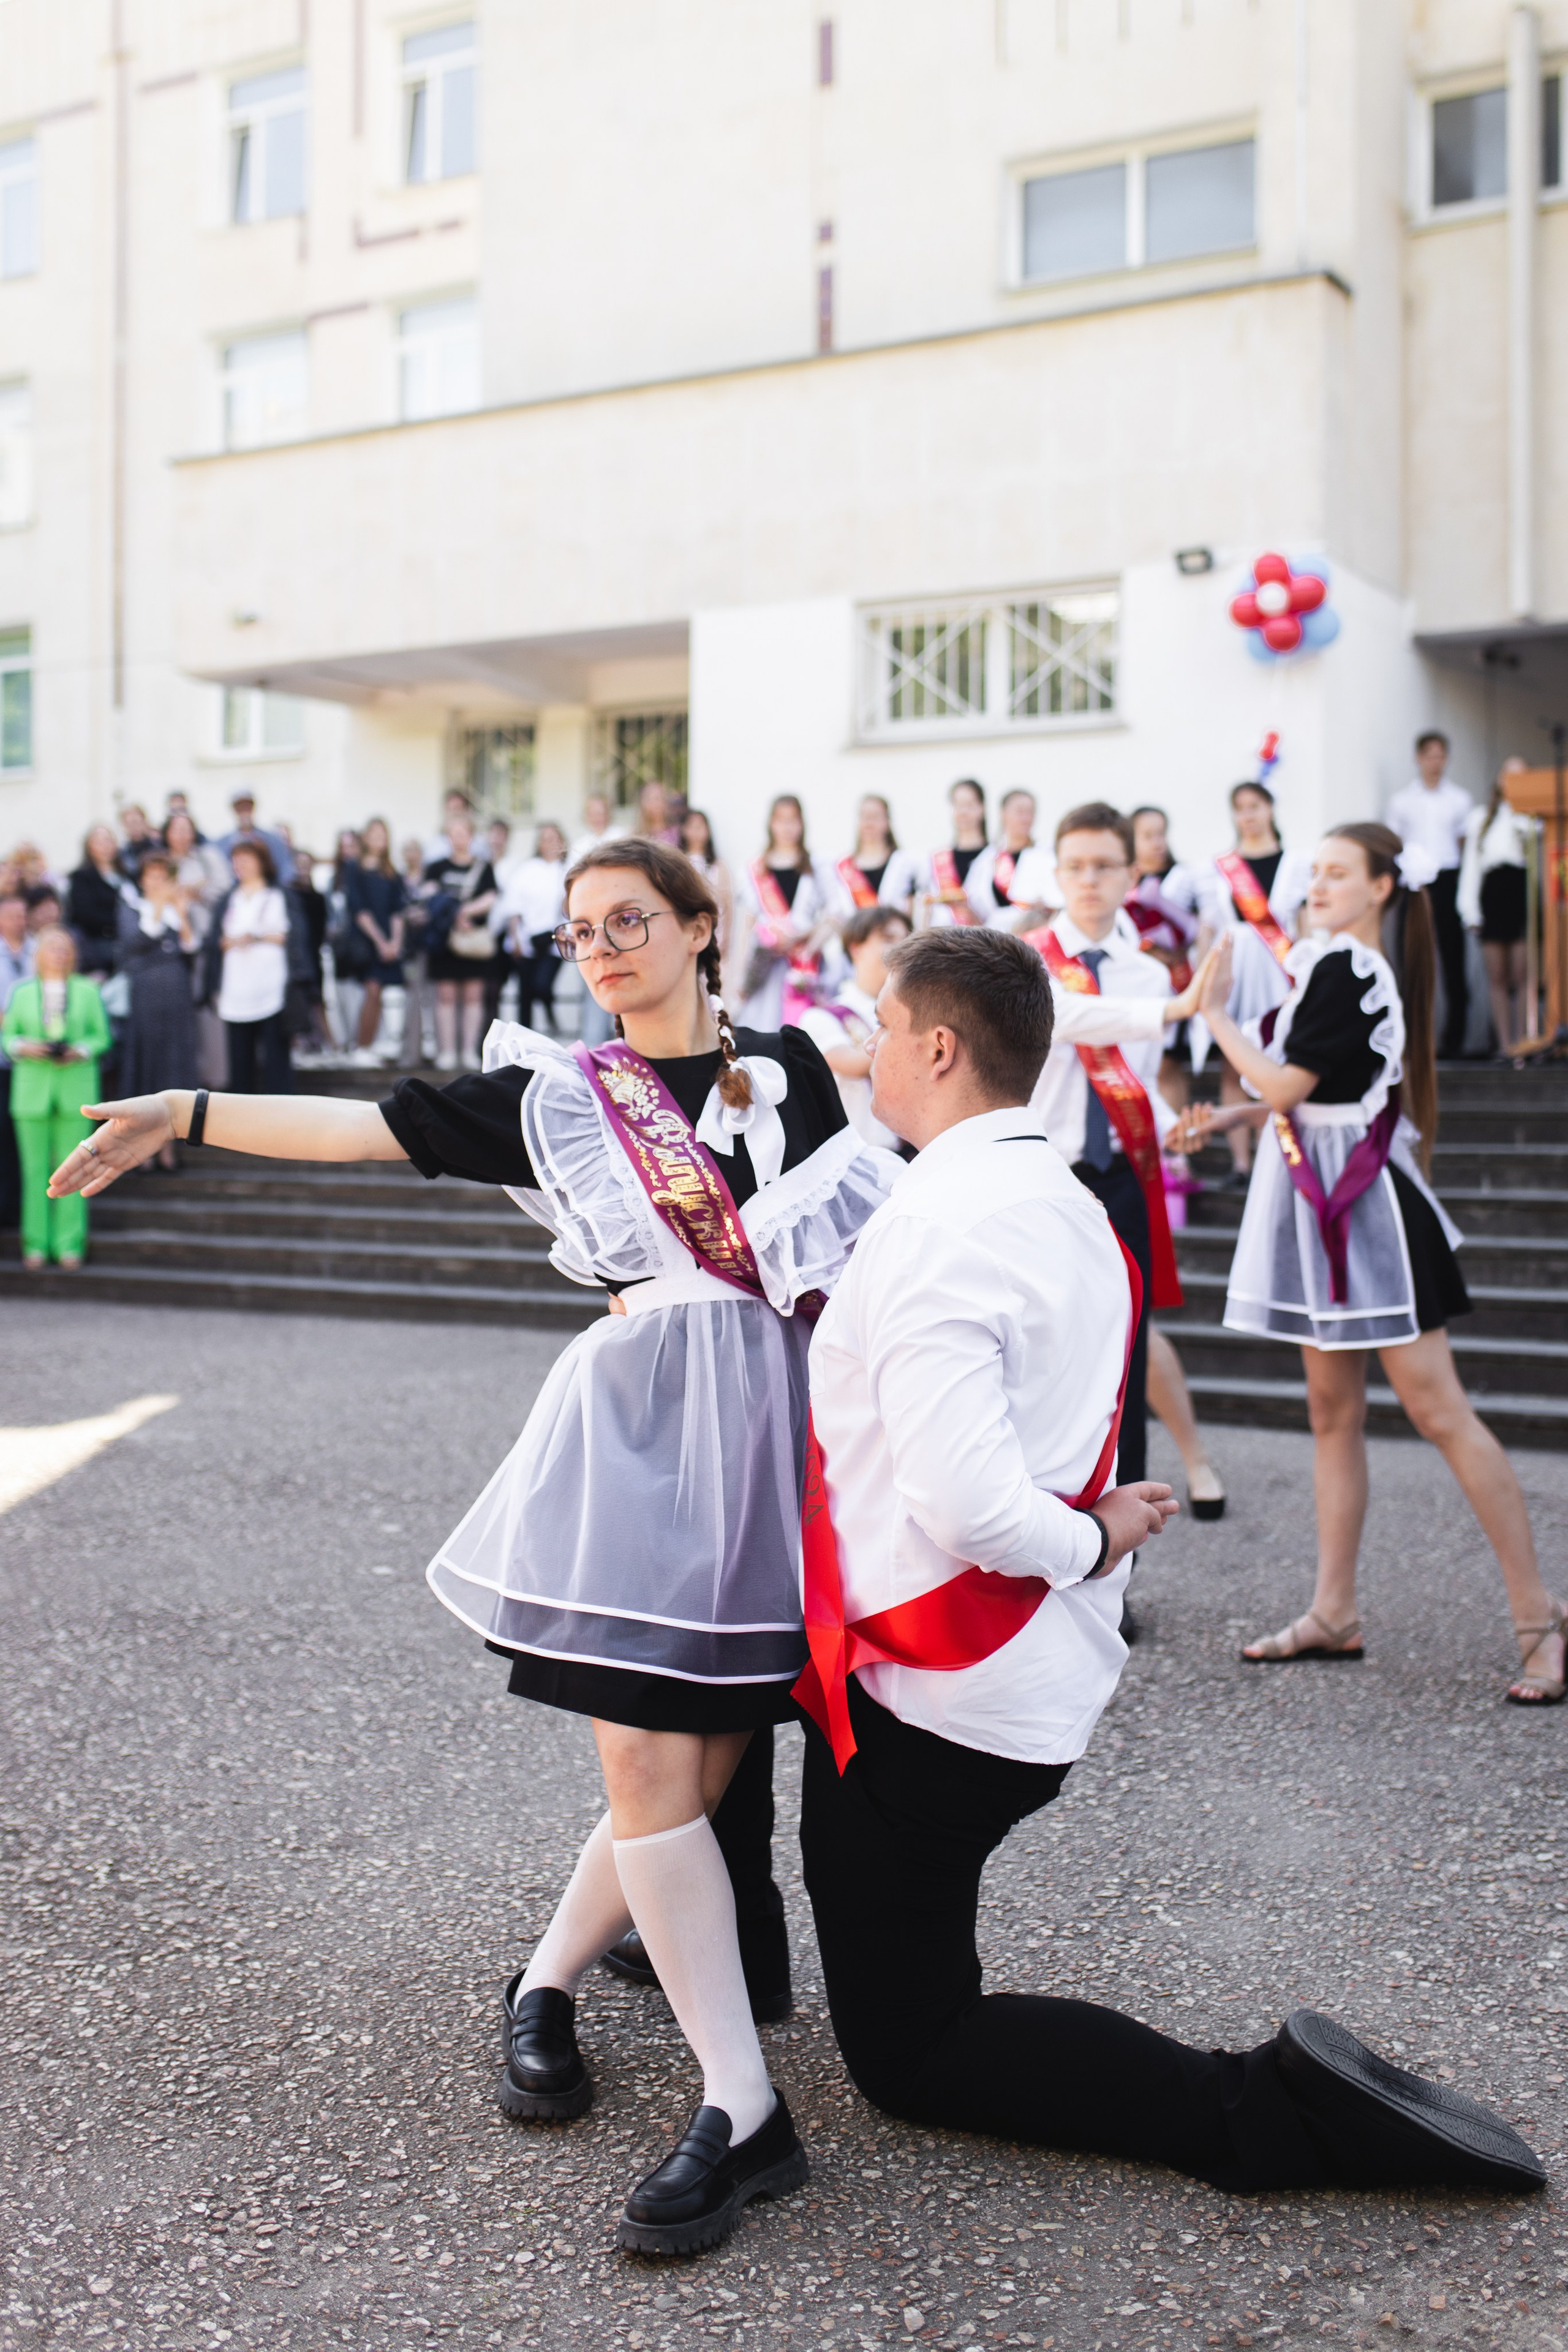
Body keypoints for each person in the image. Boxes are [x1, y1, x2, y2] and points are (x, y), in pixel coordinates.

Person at [49, 836, 899, 2254]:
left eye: (629, 919)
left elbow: (875, 1230)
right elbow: (363, 1124)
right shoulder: (560, 1097)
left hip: (772, 1442)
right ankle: (742, 2105)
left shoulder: (798, 1068)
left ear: (701, 928)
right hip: (637, 1429)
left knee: (689, 1765)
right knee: (641, 1761)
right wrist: (184, 1110)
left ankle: (548, 1980)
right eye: (579, 932)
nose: (603, 946)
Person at [786, 921, 1547, 2201]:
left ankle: (1263, 2112)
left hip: (935, 1690)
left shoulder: (938, 1228)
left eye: (876, 1029)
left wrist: (1086, 1538)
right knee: (899, 1935)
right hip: (1015, 1670)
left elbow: (968, 1505)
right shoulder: (1066, 1200)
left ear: (934, 1045)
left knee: (909, 2052)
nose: (858, 1053)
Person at [1187, 823, 1564, 1703]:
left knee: (1439, 1411)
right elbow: (1311, 1098)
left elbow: (1284, 1087)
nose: (1317, 884)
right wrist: (1227, 1119)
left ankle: (1540, 1616)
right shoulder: (1325, 966)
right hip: (1318, 1192)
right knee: (1331, 1412)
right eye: (1313, 871)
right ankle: (1334, 1611)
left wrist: (1207, 1017)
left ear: (1383, 886)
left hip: (1365, 1211)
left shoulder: (1348, 968)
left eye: (1338, 873)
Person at [1024, 804, 1217, 1529]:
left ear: (1132, 874)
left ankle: (1119, 1562)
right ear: (1056, 871)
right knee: (1046, 1360)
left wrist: (1176, 1128)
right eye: (1074, 865)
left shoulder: (1144, 972)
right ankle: (1046, 1537)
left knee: (1125, 1363)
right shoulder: (1029, 957)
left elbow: (1134, 1085)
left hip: (1120, 1184)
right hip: (1045, 1180)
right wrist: (1167, 1011)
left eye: (1104, 865)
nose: (1088, 879)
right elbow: (1066, 1021)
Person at [1193, 780, 1313, 1181]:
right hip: (1236, 969)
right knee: (1234, 1063)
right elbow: (1208, 928)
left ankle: (1273, 1159)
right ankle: (1242, 1163)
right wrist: (1202, 978)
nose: (1248, 815)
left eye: (1255, 806)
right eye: (1240, 807)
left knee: (1275, 1061)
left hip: (1278, 969)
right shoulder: (1220, 867)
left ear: (1270, 810)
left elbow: (1304, 925)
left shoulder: (1296, 863)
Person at [4, 927, 111, 1268]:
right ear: (38, 954)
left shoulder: (86, 992)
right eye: (51, 948)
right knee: (34, 1171)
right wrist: (25, 1047)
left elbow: (102, 1037)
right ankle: (35, 1243)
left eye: (64, 949)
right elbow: (8, 1036)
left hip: (75, 1091)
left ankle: (70, 1243)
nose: (58, 954)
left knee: (74, 1171)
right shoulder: (20, 992)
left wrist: (79, 1050)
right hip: (32, 1092)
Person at [1389, 731, 1475, 1060]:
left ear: (1447, 758)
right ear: (1419, 758)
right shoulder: (1403, 801)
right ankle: (1409, 1039)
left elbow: (1464, 844)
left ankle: (1456, 1041)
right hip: (1413, 883)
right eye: (1430, 755)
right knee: (1410, 958)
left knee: (1453, 959)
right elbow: (1395, 845)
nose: (1435, 762)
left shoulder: (1459, 799)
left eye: (1441, 755)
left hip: (1448, 878)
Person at [798, 905, 911, 1150]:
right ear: (856, 948)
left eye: (906, 941)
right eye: (888, 939)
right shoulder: (823, 1017)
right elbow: (852, 1065)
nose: (901, 949)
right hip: (857, 1159)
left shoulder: (918, 1013)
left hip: (911, 1156)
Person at [115, 851, 199, 1169]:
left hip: (176, 992)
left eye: (164, 876)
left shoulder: (177, 908)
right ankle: (142, 1150)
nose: (159, 883)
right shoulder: (132, 907)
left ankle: (168, 1148)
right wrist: (162, 904)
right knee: (147, 1064)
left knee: (173, 1066)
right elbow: (136, 941)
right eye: (152, 876)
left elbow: (191, 946)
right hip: (147, 993)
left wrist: (181, 910)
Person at [733, 795, 834, 1029]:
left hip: (804, 965)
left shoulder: (818, 866)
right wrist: (740, 974)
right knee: (763, 1028)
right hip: (766, 965)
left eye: (793, 820)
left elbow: (833, 916)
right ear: (771, 824)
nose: (787, 827)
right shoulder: (755, 870)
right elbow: (746, 927)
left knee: (806, 1029)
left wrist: (805, 941)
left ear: (802, 824)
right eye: (781, 820)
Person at [1459, 756, 1533, 1054]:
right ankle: (1505, 1044)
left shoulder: (1532, 817)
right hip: (1494, 893)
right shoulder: (1482, 817)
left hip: (1521, 892)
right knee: (1498, 975)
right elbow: (1472, 868)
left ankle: (1527, 1039)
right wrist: (1470, 910)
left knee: (1523, 972)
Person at [210, 839, 293, 1093]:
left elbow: (287, 935)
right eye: (237, 860)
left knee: (276, 1059)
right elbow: (216, 940)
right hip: (237, 987)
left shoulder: (277, 895)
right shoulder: (229, 900)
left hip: (271, 987)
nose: (241, 865)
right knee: (240, 1062)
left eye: (247, 858)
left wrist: (255, 937)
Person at [423, 809, 498, 1069]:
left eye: (463, 833)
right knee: (445, 997)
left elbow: (491, 898)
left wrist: (466, 912)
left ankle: (468, 1051)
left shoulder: (483, 867)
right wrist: (455, 915)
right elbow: (430, 898)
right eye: (453, 833)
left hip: (473, 941)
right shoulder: (436, 867)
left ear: (471, 835)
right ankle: (446, 1052)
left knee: (474, 996)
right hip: (444, 942)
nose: (458, 838)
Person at [491, 821, 569, 1032]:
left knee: (542, 986)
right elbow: (514, 907)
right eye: (544, 839)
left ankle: (549, 1013)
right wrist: (516, 938)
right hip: (528, 940)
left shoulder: (568, 870)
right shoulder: (527, 870)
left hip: (555, 941)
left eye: (554, 838)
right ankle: (524, 1041)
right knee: (524, 993)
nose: (549, 843)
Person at [341, 817, 407, 1066]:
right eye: (375, 833)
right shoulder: (354, 868)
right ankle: (362, 1046)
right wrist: (381, 942)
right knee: (372, 990)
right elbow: (359, 910)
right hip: (368, 941)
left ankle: (370, 1046)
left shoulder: (391, 872)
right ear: (366, 837)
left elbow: (397, 911)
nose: (380, 838)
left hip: (388, 941)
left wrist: (395, 942)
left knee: (378, 993)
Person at [968, 788, 1057, 930]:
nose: (1026, 818)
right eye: (1020, 812)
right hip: (994, 937)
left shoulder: (1046, 854)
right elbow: (976, 906)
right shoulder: (987, 859)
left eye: (1031, 812)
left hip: (1032, 932)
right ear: (1003, 814)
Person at [0, 883, 36, 1231]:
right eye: (10, 914)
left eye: (22, 915)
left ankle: (20, 1207)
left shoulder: (38, 952)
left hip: (32, 1064)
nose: (17, 920)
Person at [830, 795, 918, 922]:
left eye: (875, 817)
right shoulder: (843, 866)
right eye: (864, 816)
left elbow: (910, 911)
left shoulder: (903, 863)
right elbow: (836, 915)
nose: (869, 823)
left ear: (887, 821)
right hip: (856, 939)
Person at [918, 777, 990, 927]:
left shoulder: (997, 857)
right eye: (958, 805)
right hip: (944, 942)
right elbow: (926, 910)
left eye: (970, 805)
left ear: (982, 808)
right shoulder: (937, 859)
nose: (963, 812)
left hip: (987, 943)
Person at [65, 826, 136, 978]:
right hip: (99, 949)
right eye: (99, 842)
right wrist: (117, 921)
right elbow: (83, 913)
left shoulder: (127, 875)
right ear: (89, 847)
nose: (105, 847)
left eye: (108, 841)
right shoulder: (82, 878)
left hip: (129, 947)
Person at [679, 809, 734, 956]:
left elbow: (727, 901)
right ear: (684, 830)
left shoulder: (719, 866)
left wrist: (726, 936)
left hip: (716, 930)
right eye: (692, 826)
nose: (697, 831)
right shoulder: (679, 864)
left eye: (701, 826)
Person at [217, 791, 293, 888]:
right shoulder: (222, 844)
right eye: (240, 808)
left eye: (248, 807)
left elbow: (285, 869)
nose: (245, 812)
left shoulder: (273, 840)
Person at [569, 791, 628, 864]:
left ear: (608, 813)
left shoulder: (622, 837)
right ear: (587, 816)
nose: (597, 818)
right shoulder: (579, 845)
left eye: (601, 813)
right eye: (593, 813)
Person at [117, 804, 161, 881]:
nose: (134, 827)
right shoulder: (121, 854)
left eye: (136, 822)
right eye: (130, 823)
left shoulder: (158, 849)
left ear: (144, 822)